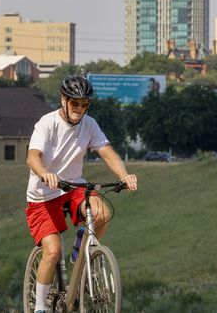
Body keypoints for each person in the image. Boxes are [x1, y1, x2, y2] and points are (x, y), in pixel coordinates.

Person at [25, 75, 138, 313]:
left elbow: (107, 152)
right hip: (44, 195)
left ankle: (81, 253)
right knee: (53, 251)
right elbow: (32, 157)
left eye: (84, 104)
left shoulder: (90, 124)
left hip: (74, 187)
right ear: (63, 100)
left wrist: (124, 176)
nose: (79, 108)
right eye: (74, 103)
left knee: (103, 214)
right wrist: (45, 173)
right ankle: (39, 308)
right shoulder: (46, 124)